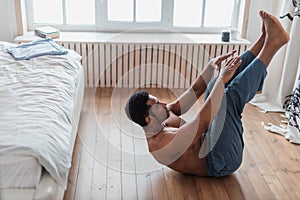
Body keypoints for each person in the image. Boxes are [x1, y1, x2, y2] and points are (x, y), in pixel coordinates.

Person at [125, 11, 290, 177]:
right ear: (148, 118)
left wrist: (211, 68)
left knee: (213, 85)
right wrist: (222, 79)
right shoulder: (162, 145)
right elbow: (202, 122)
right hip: (219, 161)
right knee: (225, 97)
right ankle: (274, 44)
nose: (163, 104)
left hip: (209, 138)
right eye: (156, 104)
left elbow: (195, 91)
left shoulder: (164, 115)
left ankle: (263, 39)